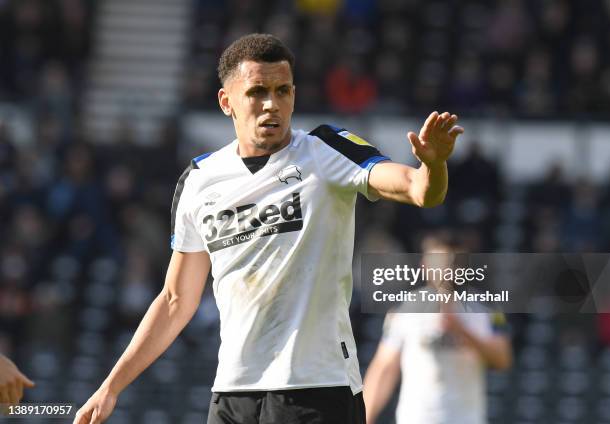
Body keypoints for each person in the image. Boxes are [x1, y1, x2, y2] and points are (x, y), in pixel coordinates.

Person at [74, 33, 464, 424]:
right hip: (233, 394)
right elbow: (176, 300)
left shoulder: (326, 150)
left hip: (318, 387)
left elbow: (419, 191)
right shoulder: (199, 180)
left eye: (282, 91)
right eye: (257, 92)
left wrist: (434, 165)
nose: (271, 105)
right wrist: (111, 387)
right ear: (227, 102)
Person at [363, 235, 512, 424]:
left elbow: (502, 359)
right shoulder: (405, 309)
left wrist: (461, 330)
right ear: (425, 265)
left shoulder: (486, 308)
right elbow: (384, 368)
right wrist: (365, 418)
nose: (447, 270)